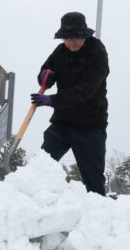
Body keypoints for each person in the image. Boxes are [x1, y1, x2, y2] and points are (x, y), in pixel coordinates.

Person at [32, 12, 109, 196]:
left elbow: (86, 90)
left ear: (85, 35)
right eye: (67, 38)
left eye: (76, 38)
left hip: (90, 125)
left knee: (93, 180)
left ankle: (98, 218)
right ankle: (32, 205)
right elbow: (47, 70)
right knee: (40, 168)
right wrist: (45, 76)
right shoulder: (60, 51)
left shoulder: (97, 53)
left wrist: (53, 100)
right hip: (63, 122)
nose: (71, 42)